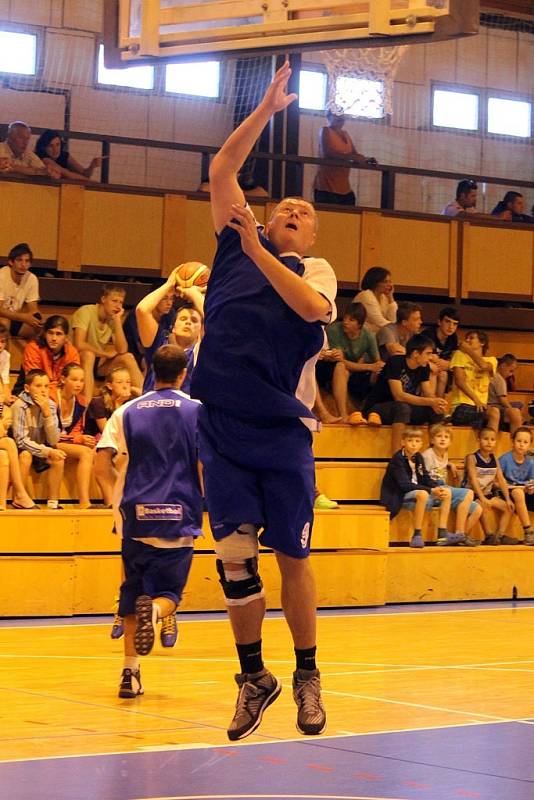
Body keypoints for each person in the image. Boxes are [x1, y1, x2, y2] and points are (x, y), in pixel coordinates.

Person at [191, 62, 337, 741]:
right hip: (219, 422)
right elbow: (223, 169)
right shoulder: (231, 244)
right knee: (235, 560)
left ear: (307, 239)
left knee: (293, 559)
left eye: (305, 214)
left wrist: (258, 246)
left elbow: (309, 308)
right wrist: (266, 110)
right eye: (288, 205)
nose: (295, 210)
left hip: (281, 431)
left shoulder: (315, 270)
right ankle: (254, 676)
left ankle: (307, 672)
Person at [95, 345, 203, 699]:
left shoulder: (126, 411)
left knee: (131, 597)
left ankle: (130, 674)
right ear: (184, 372)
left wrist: (117, 501)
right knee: (169, 593)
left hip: (134, 517)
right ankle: (157, 612)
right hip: (178, 516)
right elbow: (205, 466)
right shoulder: (197, 412)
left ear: (152, 372)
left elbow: (101, 464)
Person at [363, 334, 447, 453]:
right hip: (378, 407)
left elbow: (428, 392)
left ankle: (435, 456)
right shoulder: (395, 362)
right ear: (415, 353)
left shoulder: (424, 367)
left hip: (404, 408)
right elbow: (399, 395)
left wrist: (436, 402)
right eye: (428, 353)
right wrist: (430, 401)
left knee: (435, 411)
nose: (431, 357)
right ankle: (397, 457)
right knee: (403, 408)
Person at [380, 427, 453, 548]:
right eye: (410, 440)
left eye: (417, 441)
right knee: (423, 494)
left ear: (421, 444)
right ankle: (417, 534)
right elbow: (405, 485)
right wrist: (430, 490)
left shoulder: (418, 457)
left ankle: (442, 533)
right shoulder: (397, 459)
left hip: (415, 491)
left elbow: (425, 477)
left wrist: (436, 487)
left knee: (447, 492)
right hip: (398, 494)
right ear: (403, 442)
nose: (414, 444)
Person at [71, 286, 143, 399]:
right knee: (88, 355)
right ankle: (86, 408)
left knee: (128, 357)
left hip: (97, 363)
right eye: (114, 301)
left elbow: (122, 349)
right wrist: (105, 354)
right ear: (103, 299)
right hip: (76, 359)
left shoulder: (113, 318)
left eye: (121, 302)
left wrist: (118, 321)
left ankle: (147, 399)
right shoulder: (86, 311)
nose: (118, 306)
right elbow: (79, 344)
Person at [315, 302, 383, 423]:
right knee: (342, 368)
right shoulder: (334, 330)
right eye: (345, 318)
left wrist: (375, 368)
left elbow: (377, 363)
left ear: (359, 325)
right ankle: (343, 415)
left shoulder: (368, 336)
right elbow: (340, 361)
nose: (345, 322)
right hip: (328, 366)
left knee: (379, 375)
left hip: (356, 372)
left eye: (351, 320)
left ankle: (373, 412)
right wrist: (369, 366)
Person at [12, 369, 66, 510]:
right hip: (21, 449)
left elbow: (54, 439)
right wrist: (46, 451)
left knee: (58, 457)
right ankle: (19, 497)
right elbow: (21, 441)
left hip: (41, 446)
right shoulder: (20, 406)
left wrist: (47, 413)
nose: (43, 390)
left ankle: (53, 503)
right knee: (26, 455)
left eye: (46, 386)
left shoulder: (51, 406)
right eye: (38, 386)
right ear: (27, 388)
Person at [422, 423, 482, 545]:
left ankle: (459, 537)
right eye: (439, 436)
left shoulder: (444, 454)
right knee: (469, 493)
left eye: (446, 437)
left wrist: (450, 464)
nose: (443, 439)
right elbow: (422, 477)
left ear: (450, 442)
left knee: (477, 509)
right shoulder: (427, 455)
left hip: (444, 490)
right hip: (433, 490)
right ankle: (459, 534)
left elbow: (440, 466)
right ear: (432, 440)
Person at [56, 363, 104, 509]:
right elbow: (49, 434)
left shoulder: (81, 401)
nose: (79, 384)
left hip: (65, 441)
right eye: (74, 380)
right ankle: (84, 502)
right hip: (47, 441)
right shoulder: (52, 397)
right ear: (63, 379)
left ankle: (109, 501)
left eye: (81, 380)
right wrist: (76, 439)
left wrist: (84, 439)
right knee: (85, 453)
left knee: (97, 452)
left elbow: (77, 430)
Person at [463, 427, 516, 545]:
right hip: (473, 493)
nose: (489, 442)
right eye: (485, 439)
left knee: (509, 507)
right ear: (479, 440)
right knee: (483, 506)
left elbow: (501, 480)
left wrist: (507, 499)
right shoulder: (472, 457)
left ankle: (500, 535)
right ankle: (489, 535)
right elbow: (473, 479)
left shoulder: (494, 459)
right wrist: (481, 497)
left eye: (492, 439)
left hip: (488, 493)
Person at [313, 111, 376, 206]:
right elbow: (328, 153)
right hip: (327, 187)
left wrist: (366, 159)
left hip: (344, 188)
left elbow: (354, 154)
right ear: (329, 116)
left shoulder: (345, 134)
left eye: (342, 115)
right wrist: (353, 157)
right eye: (337, 115)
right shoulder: (325, 130)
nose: (340, 118)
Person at [19, 315, 80, 402]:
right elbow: (35, 382)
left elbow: (73, 380)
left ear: (66, 337)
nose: (54, 338)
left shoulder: (72, 352)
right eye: (50, 333)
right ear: (44, 334)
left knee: (80, 400)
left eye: (58, 334)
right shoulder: (33, 348)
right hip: (31, 394)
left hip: (60, 395)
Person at [450, 331, 499, 430]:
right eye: (466, 338)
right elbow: (459, 381)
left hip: (480, 407)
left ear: (482, 342)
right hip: (461, 406)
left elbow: (484, 366)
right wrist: (476, 400)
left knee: (510, 413)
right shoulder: (459, 355)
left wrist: (468, 350)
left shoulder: (492, 360)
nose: (467, 340)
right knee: (493, 413)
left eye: (471, 338)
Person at [499, 427, 534, 544]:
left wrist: (531, 488)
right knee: (517, 492)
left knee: (522, 492)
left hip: (524, 492)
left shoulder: (530, 462)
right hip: (506, 493)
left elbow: (532, 481)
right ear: (513, 442)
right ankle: (528, 531)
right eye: (519, 441)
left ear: (529, 445)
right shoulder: (504, 459)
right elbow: (496, 482)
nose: (522, 445)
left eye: (525, 442)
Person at [0, 400, 38, 510]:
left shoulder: (3, 408)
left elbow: (3, 431)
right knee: (9, 443)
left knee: (3, 455)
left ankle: (2, 503)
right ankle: (20, 492)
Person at [0, 243, 42, 339]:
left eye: (27, 261)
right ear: (11, 262)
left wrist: (36, 320)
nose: (23, 265)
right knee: (4, 322)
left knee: (39, 329)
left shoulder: (32, 278)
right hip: (4, 317)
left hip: (16, 317)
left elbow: (33, 309)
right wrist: (23, 317)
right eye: (19, 260)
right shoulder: (1, 276)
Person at [84, 366, 133, 440]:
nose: (125, 386)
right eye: (120, 382)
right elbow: (108, 432)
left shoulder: (130, 402)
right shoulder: (97, 403)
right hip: (95, 440)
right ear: (110, 386)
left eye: (128, 382)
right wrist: (118, 404)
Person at [34, 130, 103, 182]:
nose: (55, 149)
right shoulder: (44, 158)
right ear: (43, 147)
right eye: (50, 146)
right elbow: (68, 175)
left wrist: (92, 166)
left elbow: (85, 174)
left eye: (58, 145)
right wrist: (93, 183)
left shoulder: (64, 155)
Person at [422, 306, 460, 397]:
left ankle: (439, 405)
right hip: (423, 367)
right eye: (447, 322)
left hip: (440, 370)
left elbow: (454, 359)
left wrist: (449, 364)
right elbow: (423, 357)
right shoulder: (428, 335)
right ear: (439, 322)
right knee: (437, 372)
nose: (451, 327)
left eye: (455, 324)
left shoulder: (453, 338)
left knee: (444, 374)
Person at [353, 267, 397, 334]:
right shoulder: (366, 295)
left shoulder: (383, 297)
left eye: (390, 281)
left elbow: (393, 319)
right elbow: (380, 321)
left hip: (375, 335)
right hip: (361, 335)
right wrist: (399, 328)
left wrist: (391, 297)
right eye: (385, 282)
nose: (390, 285)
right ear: (375, 282)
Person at [488, 354, 523, 435]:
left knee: (518, 404)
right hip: (495, 406)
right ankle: (516, 436)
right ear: (503, 366)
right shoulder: (499, 379)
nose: (511, 374)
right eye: (510, 371)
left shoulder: (494, 376)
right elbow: (503, 400)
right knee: (516, 410)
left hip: (494, 406)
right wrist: (511, 409)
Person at [0, 324, 12, 405]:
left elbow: (5, 378)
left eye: (3, 341)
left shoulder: (5, 355)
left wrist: (7, 396)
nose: (0, 345)